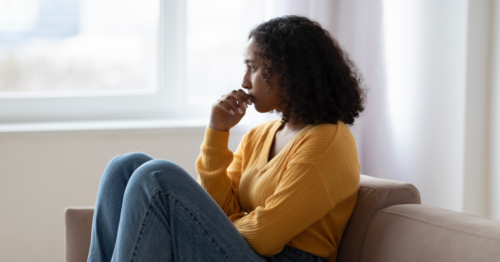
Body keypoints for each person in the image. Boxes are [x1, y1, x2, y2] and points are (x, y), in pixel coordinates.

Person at [87, 15, 365, 262]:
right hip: (244, 250)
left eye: (253, 67)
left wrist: (213, 223)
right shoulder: (260, 135)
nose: (244, 81)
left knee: (157, 176)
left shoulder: (328, 142)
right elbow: (219, 206)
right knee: (125, 166)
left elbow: (265, 238)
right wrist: (218, 133)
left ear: (290, 73)